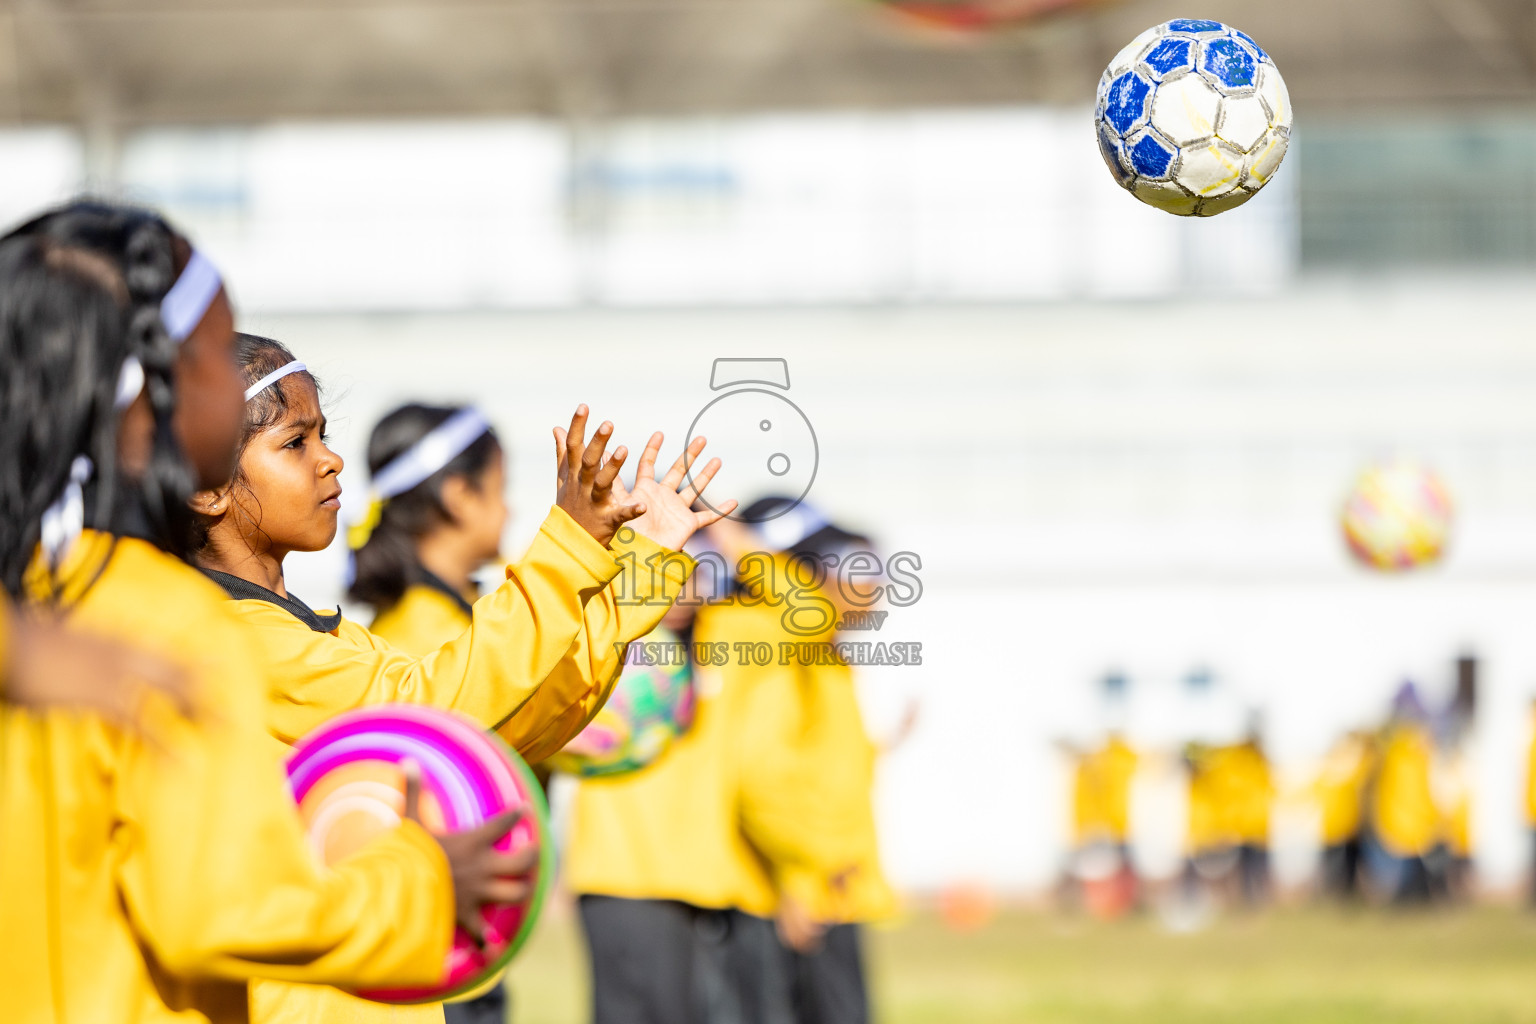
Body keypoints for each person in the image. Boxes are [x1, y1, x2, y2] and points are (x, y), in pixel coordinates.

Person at [0, 200, 523, 1023]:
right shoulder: (167, 628)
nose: (328, 459)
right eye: (215, 352)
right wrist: (422, 882)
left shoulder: (33, 611)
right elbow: (226, 909)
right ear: (152, 391)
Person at [188, 333, 730, 1023]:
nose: (330, 460)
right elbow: (433, 710)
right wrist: (568, 545)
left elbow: (497, 733)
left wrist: (638, 574)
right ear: (208, 487)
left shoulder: (315, 634)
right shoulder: (236, 640)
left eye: (324, 434)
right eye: (297, 443)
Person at [562, 515, 858, 1024]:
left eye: (690, 567)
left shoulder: (731, 637)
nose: (677, 583)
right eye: (658, 564)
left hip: (713, 885)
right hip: (625, 879)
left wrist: (733, 536)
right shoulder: (601, 635)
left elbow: (813, 615)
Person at [1314, 729, 1377, 901]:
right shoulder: (1338, 769)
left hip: (1348, 829)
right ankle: (1335, 896)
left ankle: (1343, 896)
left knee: (1347, 866)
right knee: (1335, 867)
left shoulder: (1337, 768)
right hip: (1336, 829)